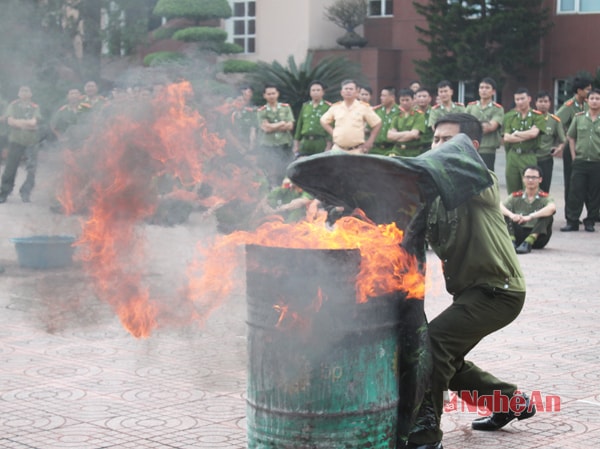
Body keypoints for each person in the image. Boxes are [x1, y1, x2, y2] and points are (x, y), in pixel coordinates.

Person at [406, 112, 533, 449]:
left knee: (433, 345)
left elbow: (440, 168)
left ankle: (425, 435)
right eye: (435, 139)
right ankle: (510, 402)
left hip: (499, 292)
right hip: (471, 293)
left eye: (448, 140)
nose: (438, 146)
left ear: (471, 147)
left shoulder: (482, 181)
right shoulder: (433, 194)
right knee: (447, 355)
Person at [561, 88, 600, 233]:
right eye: (592, 98)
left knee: (595, 193)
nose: (595, 101)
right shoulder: (579, 117)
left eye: (598, 98)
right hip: (580, 161)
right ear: (587, 101)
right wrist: (573, 156)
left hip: (597, 161)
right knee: (575, 191)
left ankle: (590, 220)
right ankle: (572, 221)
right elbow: (571, 137)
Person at [0, 86, 43, 203]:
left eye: (27, 91)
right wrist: (27, 124)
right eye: (22, 91)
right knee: (10, 167)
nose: (24, 93)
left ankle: (25, 192)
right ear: (18, 94)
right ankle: (4, 192)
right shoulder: (13, 105)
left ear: (31, 94)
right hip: (16, 140)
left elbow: (34, 122)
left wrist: (18, 122)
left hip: (32, 141)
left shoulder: (35, 107)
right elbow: (10, 121)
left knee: (31, 169)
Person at [500, 166, 556, 254]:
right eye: (528, 177)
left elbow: (552, 208)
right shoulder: (516, 196)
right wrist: (512, 215)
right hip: (518, 235)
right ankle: (511, 241)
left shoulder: (545, 197)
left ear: (540, 180)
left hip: (538, 238)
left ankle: (529, 241)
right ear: (523, 179)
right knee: (504, 213)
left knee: (548, 215)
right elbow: (499, 206)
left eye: (534, 177)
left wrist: (530, 217)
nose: (530, 180)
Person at [556, 77, 592, 208]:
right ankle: (571, 212)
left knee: (590, 182)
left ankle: (592, 212)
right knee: (572, 182)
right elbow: (556, 120)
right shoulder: (569, 106)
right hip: (572, 147)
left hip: (587, 148)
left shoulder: (589, 104)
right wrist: (563, 138)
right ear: (579, 91)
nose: (590, 92)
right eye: (588, 89)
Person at [502, 88, 546, 194]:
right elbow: (507, 138)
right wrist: (527, 134)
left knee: (529, 188)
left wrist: (516, 133)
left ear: (529, 99)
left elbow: (534, 134)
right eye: (517, 99)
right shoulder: (509, 116)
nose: (520, 102)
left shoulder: (537, 116)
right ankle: (512, 210)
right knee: (512, 189)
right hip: (513, 155)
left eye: (522, 99)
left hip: (528, 155)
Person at [320, 79, 382, 154]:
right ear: (341, 92)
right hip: (338, 149)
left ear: (356, 93)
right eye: (346, 89)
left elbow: (377, 123)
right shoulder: (336, 107)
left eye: (351, 89)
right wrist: (334, 133)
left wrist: (370, 141)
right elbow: (323, 121)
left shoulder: (363, 107)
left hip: (356, 150)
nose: (348, 91)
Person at [256, 84, 295, 188]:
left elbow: (290, 126)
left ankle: (285, 190)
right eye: (269, 94)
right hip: (269, 144)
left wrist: (272, 126)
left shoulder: (285, 108)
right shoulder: (262, 110)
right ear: (264, 95)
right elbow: (265, 129)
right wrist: (282, 123)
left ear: (277, 94)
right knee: (271, 170)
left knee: (285, 168)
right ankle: (272, 190)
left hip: (284, 143)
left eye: (273, 93)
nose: (271, 96)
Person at [465, 77, 504, 171]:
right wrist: (483, 123)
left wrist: (474, 124)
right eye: (481, 87)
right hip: (471, 147)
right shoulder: (471, 107)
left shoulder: (497, 109)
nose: (484, 90)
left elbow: (490, 127)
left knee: (487, 175)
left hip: (487, 148)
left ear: (493, 91)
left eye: (487, 88)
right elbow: (465, 125)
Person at [534, 91, 566, 193]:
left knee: (544, 188)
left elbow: (563, 140)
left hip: (545, 159)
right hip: (529, 158)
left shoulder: (554, 121)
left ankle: (544, 208)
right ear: (535, 103)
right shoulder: (529, 117)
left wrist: (558, 148)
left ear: (550, 103)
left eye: (546, 101)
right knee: (529, 188)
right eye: (540, 101)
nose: (543, 104)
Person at [293, 81, 331, 158]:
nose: (315, 92)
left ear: (323, 92)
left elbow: (331, 126)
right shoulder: (305, 106)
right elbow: (299, 126)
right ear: (310, 92)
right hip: (306, 142)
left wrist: (329, 146)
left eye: (318, 90)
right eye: (313, 90)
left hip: (320, 142)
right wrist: (296, 144)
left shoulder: (327, 107)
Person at [387, 88, 426, 157]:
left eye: (407, 100)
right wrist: (408, 133)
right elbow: (390, 136)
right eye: (402, 100)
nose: (404, 102)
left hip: (413, 152)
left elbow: (414, 134)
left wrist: (397, 136)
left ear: (413, 100)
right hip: (397, 151)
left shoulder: (419, 115)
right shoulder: (397, 115)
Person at [370, 86, 400, 155]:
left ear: (392, 97)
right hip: (375, 150)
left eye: (384, 96)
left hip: (392, 150)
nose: (381, 98)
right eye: (381, 95)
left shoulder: (400, 112)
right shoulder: (377, 111)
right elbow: (369, 128)